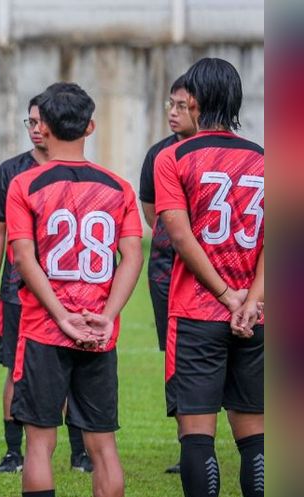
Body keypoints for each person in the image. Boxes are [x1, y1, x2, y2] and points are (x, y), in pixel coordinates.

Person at [3, 82, 143, 497]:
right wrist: (106, 314)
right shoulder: (118, 186)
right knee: (103, 445)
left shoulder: (26, 184)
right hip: (100, 333)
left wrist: (61, 315)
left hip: (46, 329)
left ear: (43, 126)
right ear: (90, 126)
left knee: (39, 443)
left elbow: (22, 257)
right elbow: (133, 257)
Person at [154, 58, 264, 497]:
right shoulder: (267, 159)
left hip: (199, 312)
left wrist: (224, 295)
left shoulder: (174, 157)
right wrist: (250, 299)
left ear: (198, 100)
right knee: (254, 436)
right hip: (256, 315)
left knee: (197, 436)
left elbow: (179, 234)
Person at [0, 97, 92, 474]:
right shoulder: (11, 171)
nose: (33, 128)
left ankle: (81, 451)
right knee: (16, 371)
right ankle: (14, 451)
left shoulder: (84, 176)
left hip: (76, 294)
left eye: (39, 121)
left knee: (78, 372)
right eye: (28, 121)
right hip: (19, 292)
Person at [139, 74, 199, 475]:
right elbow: (150, 209)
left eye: (182, 106)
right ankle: (189, 445)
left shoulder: (215, 153)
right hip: (167, 267)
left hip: (222, 267)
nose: (173, 113)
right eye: (170, 105)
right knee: (177, 355)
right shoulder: (160, 154)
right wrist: (174, 239)